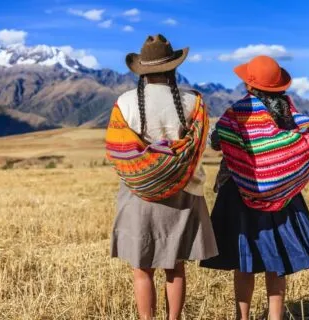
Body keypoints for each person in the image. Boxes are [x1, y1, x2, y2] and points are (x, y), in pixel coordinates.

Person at [200, 55, 309, 320]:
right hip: (283, 196)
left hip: (238, 193)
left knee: (245, 260)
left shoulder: (237, 111)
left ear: (250, 85)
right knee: (277, 262)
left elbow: (218, 141)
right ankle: (276, 317)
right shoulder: (289, 112)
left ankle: (243, 316)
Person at [105, 34, 218, 320]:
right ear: (173, 67)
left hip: (137, 192)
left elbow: (117, 150)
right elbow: (199, 147)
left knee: (142, 268)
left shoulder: (124, 102)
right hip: (183, 193)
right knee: (175, 266)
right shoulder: (194, 102)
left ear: (142, 69)